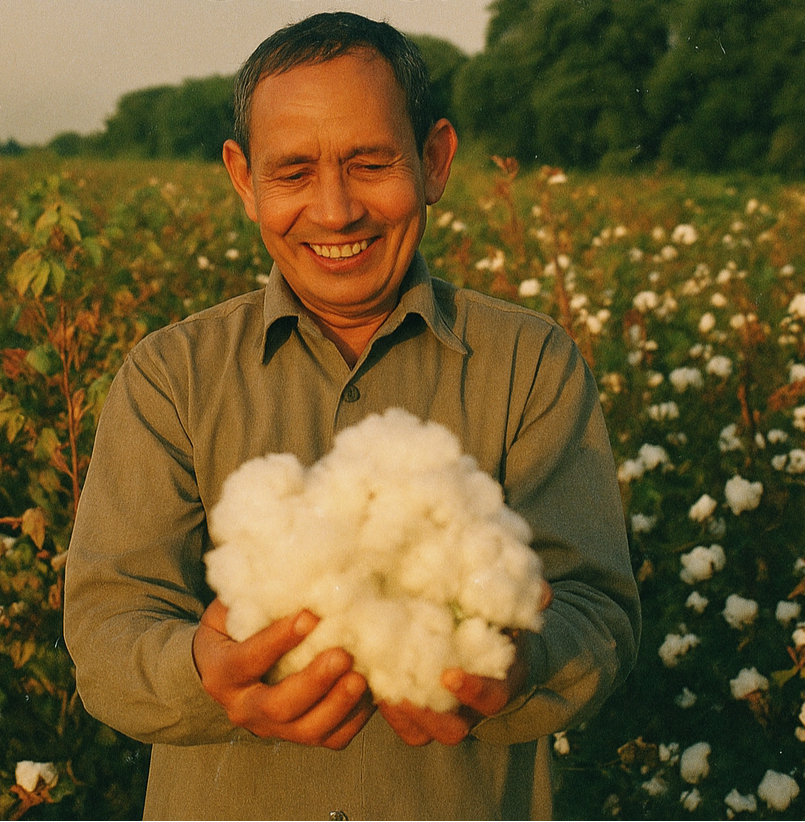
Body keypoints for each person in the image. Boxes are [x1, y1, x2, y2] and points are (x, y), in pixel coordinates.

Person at [62, 11, 640, 821]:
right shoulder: (171, 376)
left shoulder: (531, 364)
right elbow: (107, 628)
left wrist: (526, 667)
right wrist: (204, 673)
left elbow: (599, 610)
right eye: (293, 172)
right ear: (243, 179)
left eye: (370, 163)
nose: (335, 212)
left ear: (434, 160)